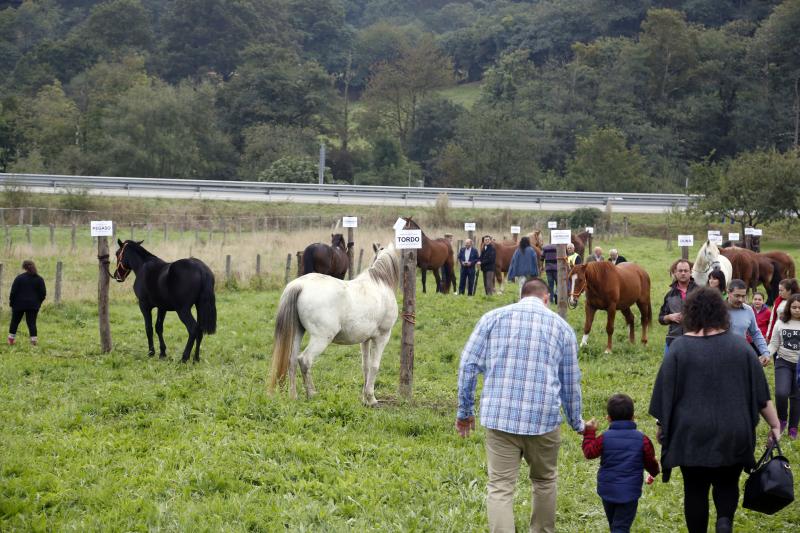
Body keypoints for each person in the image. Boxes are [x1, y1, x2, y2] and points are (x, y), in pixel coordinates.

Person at [456, 278, 584, 533]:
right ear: (546, 298)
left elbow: (468, 366)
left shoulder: (492, 318)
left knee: (500, 487)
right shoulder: (562, 327)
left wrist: (465, 412)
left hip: (500, 417)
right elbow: (570, 382)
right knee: (545, 481)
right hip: (544, 419)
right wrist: (576, 421)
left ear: (520, 295)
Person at [649, 287, 781, 533]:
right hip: (734, 431)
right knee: (727, 483)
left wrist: (661, 426)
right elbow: (762, 397)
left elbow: (665, 394)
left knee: (695, 490)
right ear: (722, 313)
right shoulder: (742, 349)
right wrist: (775, 425)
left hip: (691, 434)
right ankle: (724, 523)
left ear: (690, 313)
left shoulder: (679, 349)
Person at [582, 394, 660, 533]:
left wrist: (589, 432)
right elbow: (650, 461)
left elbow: (589, 452)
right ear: (633, 417)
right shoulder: (642, 440)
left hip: (607, 490)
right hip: (629, 493)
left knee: (615, 525)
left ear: (608, 418)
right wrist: (654, 472)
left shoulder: (604, 439)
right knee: (620, 527)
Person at [767, 293, 800, 440]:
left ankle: (793, 427)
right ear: (788, 308)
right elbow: (774, 343)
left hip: (799, 365)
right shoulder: (781, 322)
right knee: (781, 392)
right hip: (783, 361)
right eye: (794, 307)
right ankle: (781, 420)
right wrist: (766, 355)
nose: (797, 310)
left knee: (796, 397)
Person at [726, 279, 770, 367]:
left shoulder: (748, 310)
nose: (741, 299)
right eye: (737, 296)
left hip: (741, 358)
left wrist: (765, 352)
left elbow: (755, 333)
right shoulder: (718, 309)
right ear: (728, 293)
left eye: (743, 296)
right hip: (721, 358)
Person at [658, 259, 697, 353]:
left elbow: (708, 317)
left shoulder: (699, 292)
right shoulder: (670, 295)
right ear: (675, 272)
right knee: (669, 367)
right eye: (680, 271)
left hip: (695, 341)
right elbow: (661, 318)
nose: (683, 273)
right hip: (673, 341)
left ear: (691, 272)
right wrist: (669, 317)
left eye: (686, 271)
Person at [8, 259, 46, 346]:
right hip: (33, 305)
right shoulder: (39, 279)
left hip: (18, 304)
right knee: (32, 323)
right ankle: (33, 342)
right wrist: (38, 303)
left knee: (14, 322)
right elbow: (43, 293)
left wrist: (11, 302)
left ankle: (11, 341)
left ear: (24, 267)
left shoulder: (19, 278)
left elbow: (13, 292)